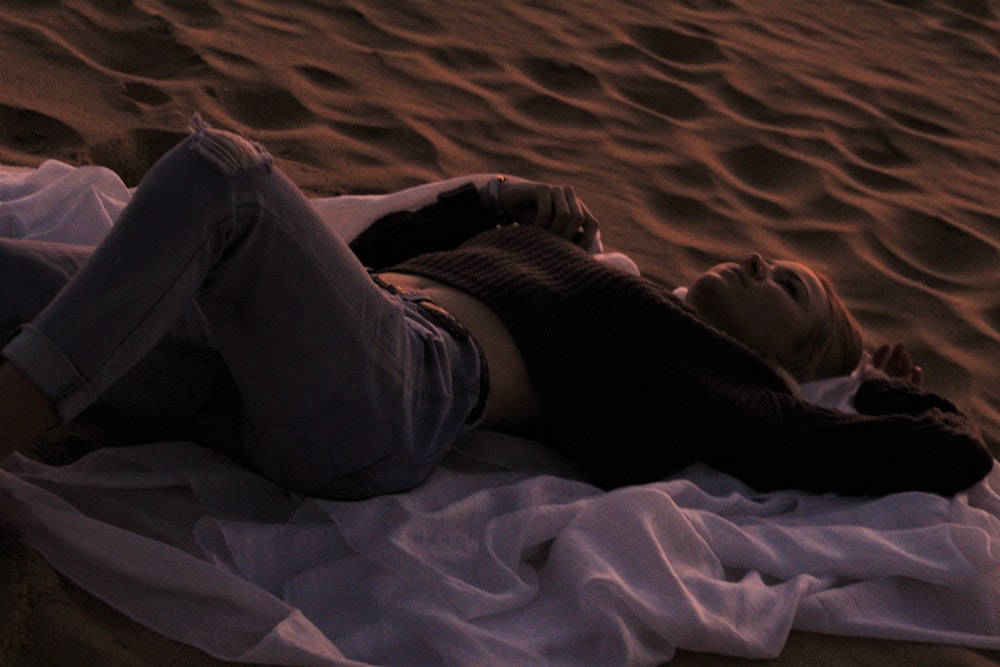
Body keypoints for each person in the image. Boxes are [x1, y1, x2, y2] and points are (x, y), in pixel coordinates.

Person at [0, 117, 992, 500]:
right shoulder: (599, 273)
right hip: (286, 358)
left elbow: (951, 456)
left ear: (794, 355)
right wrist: (489, 204)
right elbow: (351, 262)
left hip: (392, 399)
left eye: (789, 287)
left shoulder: (721, 376)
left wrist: (872, 397)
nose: (759, 258)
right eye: (773, 254)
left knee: (224, 169)